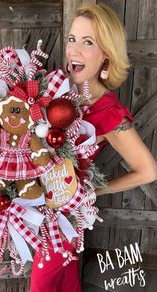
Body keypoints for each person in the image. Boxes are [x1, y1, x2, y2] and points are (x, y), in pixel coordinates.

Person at [30, 3, 157, 292]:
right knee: (64, 282)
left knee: (42, 284)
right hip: (35, 207)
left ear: (106, 56)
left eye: (88, 43)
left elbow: (148, 170)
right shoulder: (56, 87)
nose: (74, 50)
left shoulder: (108, 112)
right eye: (72, 39)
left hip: (62, 218)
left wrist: (93, 190)